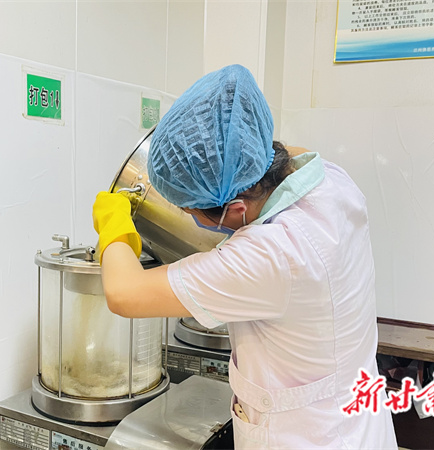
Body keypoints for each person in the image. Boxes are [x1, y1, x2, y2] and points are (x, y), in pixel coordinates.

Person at [92, 65, 397, 449]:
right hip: (357, 423)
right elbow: (280, 150)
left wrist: (114, 224)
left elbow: (124, 293)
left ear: (235, 209)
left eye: (189, 210)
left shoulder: (269, 255)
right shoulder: (333, 182)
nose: (190, 217)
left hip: (308, 438)